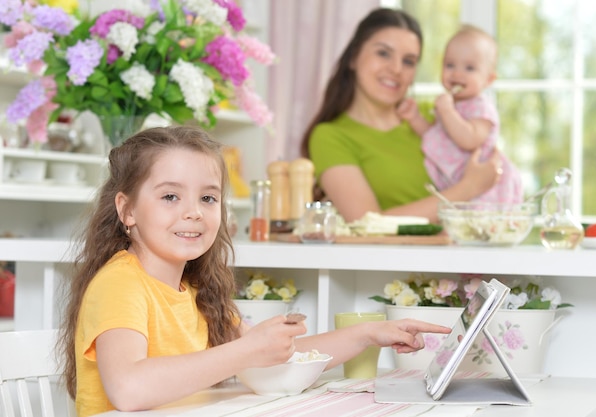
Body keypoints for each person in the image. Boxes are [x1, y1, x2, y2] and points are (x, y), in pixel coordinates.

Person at [58, 126, 451, 417]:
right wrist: (243, 351)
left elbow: (280, 357)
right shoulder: (120, 283)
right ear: (127, 210)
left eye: (208, 197)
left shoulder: (197, 290)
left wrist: (369, 333)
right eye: (170, 196)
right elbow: (129, 389)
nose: (193, 211)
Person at [301, 8, 502, 223]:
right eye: (383, 53)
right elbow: (367, 223)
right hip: (391, 257)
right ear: (353, 57)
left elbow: (485, 156)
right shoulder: (330, 137)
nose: (396, 69)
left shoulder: (435, 116)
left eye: (408, 61)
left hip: (463, 252)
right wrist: (468, 188)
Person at [397, 24, 523, 203]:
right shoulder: (450, 105)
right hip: (457, 183)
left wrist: (447, 111)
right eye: (449, 65)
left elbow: (469, 139)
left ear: (488, 79)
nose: (457, 73)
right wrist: (414, 117)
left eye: (470, 68)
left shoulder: (480, 107)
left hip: (485, 188)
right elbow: (435, 136)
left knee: (479, 226)